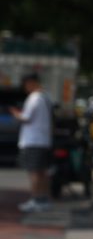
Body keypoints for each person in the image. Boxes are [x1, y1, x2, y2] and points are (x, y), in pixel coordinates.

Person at [10, 72, 52, 213]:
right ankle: (43, 200)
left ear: (31, 83)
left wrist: (15, 113)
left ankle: (35, 200)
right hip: (43, 140)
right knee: (42, 172)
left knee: (34, 172)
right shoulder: (45, 97)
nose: (25, 87)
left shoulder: (34, 98)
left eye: (26, 84)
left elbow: (26, 117)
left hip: (33, 140)